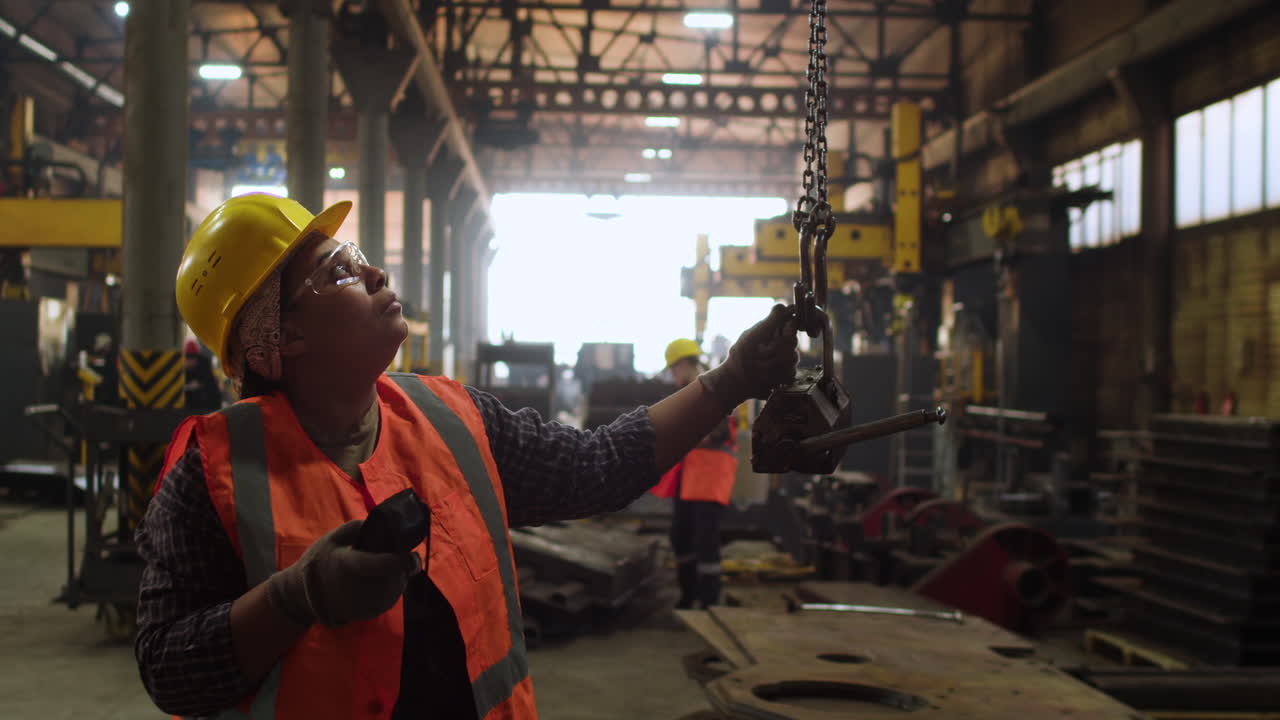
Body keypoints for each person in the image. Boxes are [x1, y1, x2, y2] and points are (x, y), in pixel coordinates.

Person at [133, 193, 798, 720]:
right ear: (279, 336)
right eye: (336, 271)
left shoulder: (452, 419)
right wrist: (295, 597)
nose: (373, 272)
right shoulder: (214, 473)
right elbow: (168, 667)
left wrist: (732, 379)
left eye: (356, 253)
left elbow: (598, 467)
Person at [651, 339, 739, 609]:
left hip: (710, 478)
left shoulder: (712, 387)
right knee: (680, 536)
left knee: (705, 539)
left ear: (685, 364)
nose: (673, 375)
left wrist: (685, 435)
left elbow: (721, 433)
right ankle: (689, 595)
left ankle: (709, 602)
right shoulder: (690, 389)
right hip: (690, 477)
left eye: (673, 369)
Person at [183, 338, 224, 410]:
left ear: (197, 357)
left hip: (206, 406)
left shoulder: (205, 367)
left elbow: (212, 389)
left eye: (192, 357)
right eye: (187, 357)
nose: (189, 361)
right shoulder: (181, 369)